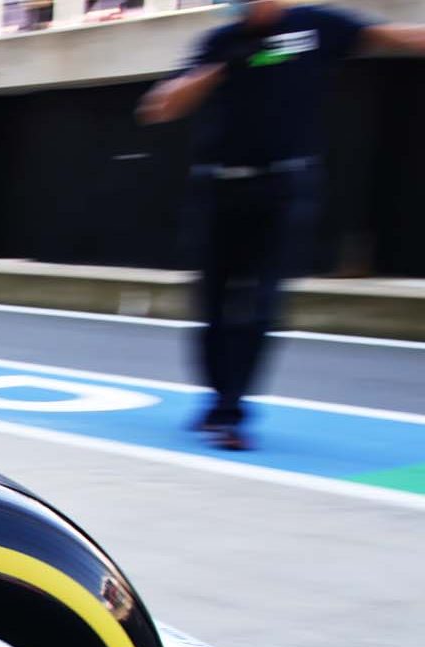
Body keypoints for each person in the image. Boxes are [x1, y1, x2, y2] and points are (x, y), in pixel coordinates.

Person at [138, 1, 425, 450]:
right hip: (220, 189)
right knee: (213, 304)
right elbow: (160, 106)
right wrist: (217, 70)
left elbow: (397, 36)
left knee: (261, 305)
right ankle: (218, 398)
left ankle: (232, 411)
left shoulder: (318, 26)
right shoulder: (220, 41)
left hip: (284, 186)